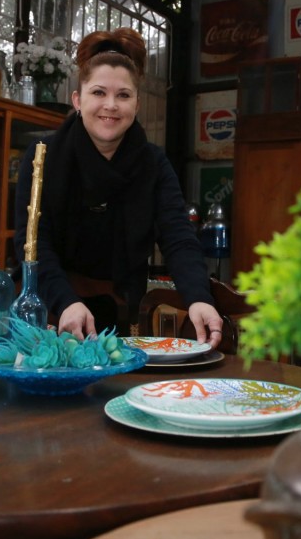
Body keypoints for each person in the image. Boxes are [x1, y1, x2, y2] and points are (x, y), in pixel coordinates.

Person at [14, 28, 223, 347]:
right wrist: (66, 302)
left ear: (136, 104)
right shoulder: (43, 155)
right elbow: (32, 242)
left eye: (123, 95)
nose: (110, 105)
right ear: (77, 100)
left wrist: (198, 297)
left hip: (121, 314)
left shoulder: (153, 164)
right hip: (51, 309)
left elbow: (178, 237)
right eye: (98, 92)